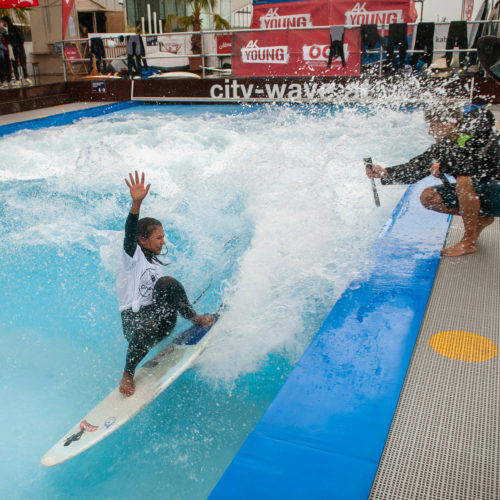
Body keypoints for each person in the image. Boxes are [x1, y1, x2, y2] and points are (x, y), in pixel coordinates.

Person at [116, 171, 215, 396]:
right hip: (135, 325)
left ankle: (194, 317)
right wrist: (136, 204)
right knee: (147, 325)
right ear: (142, 240)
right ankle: (127, 375)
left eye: (163, 237)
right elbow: (129, 234)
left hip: (159, 321)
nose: (163, 241)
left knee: (167, 283)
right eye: (158, 237)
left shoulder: (156, 264)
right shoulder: (132, 258)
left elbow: (167, 295)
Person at [366, 106, 499, 257]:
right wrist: (384, 173)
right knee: (429, 197)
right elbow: (416, 168)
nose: (430, 131)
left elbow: (476, 162)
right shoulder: (443, 147)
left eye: (433, 125)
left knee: (464, 180)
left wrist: (445, 165)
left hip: (496, 189)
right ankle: (482, 216)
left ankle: (469, 241)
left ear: (449, 122)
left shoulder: (475, 130)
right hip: (484, 193)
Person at [0, 16, 32, 87]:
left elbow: (21, 38)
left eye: (4, 22)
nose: (3, 23)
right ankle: (17, 79)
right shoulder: (4, 31)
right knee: (14, 64)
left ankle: (26, 77)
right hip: (12, 49)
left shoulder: (14, 28)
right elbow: (6, 39)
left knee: (23, 63)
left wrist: (17, 45)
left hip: (18, 48)